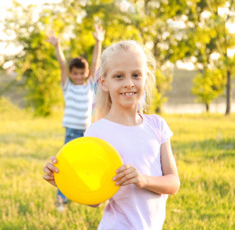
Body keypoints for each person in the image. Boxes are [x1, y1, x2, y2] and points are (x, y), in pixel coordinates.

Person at [43, 40, 180, 229]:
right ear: (103, 83)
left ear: (145, 78)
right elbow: (95, 199)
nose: (129, 83)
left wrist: (142, 180)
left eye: (136, 75)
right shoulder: (97, 133)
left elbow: (173, 183)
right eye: (118, 76)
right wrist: (62, 181)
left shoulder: (157, 125)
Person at [46, 24, 105, 211]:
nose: (79, 76)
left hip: (88, 131)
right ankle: (61, 199)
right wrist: (57, 46)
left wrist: (98, 42)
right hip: (71, 131)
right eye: (75, 73)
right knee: (66, 165)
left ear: (86, 74)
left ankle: (86, 194)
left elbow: (95, 63)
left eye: (82, 73)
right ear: (71, 74)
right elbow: (62, 65)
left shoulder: (89, 85)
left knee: (86, 165)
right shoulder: (68, 86)